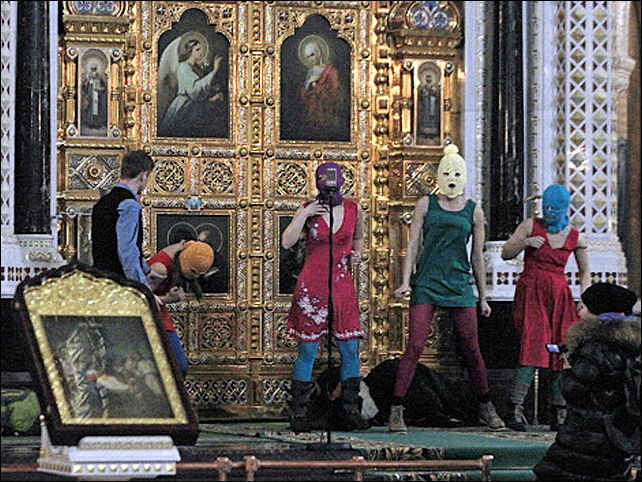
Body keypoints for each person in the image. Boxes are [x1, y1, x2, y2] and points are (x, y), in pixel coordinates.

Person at [389, 143, 506, 432]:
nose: (451, 178)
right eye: (447, 172)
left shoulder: (473, 211)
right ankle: (396, 408)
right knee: (415, 344)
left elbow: (477, 256)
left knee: (472, 347)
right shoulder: (425, 204)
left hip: (458, 283)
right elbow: (413, 245)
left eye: (456, 173)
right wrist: (405, 281)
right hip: (428, 281)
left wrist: (483, 297)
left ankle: (486, 405)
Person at [282, 161, 368, 432]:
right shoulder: (308, 209)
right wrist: (303, 215)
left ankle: (350, 409)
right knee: (308, 349)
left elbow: (358, 239)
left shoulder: (353, 209)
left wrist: (357, 253)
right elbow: (286, 241)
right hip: (313, 285)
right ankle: (299, 412)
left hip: (342, 285)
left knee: (349, 348)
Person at [501, 184, 590, 431]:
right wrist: (526, 242)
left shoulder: (575, 236)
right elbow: (506, 253)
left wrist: (584, 300)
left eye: (555, 208)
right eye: (546, 207)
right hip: (532, 293)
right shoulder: (530, 226)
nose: (550, 212)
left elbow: (585, 272)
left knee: (561, 349)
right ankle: (515, 406)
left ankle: (559, 410)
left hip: (559, 295)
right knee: (533, 345)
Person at [533, 283, 640, 481]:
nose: (580, 313)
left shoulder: (594, 345)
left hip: (588, 437)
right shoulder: (632, 343)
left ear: (596, 310)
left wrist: (567, 370)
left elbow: (575, 389)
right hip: (619, 433)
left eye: (584, 307)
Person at [147, 240, 215, 379]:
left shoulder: (184, 249)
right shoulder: (160, 269)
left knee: (179, 366)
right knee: (175, 365)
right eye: (193, 273)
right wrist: (166, 299)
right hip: (146, 316)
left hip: (159, 313)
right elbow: (139, 298)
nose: (195, 278)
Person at [91, 150, 154, 288]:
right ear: (143, 175)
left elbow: (107, 245)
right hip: (119, 284)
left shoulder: (102, 203)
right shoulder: (129, 205)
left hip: (101, 280)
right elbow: (127, 251)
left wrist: (147, 270)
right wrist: (142, 287)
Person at [158, 33, 224, 137]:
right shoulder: (184, 68)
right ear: (190, 52)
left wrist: (212, 98)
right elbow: (194, 91)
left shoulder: (195, 68)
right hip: (184, 108)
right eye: (197, 50)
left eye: (201, 49)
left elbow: (199, 93)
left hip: (192, 106)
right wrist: (214, 71)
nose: (201, 52)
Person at [299, 37, 343, 140]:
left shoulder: (331, 71)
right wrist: (309, 84)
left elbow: (336, 96)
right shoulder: (310, 72)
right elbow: (304, 96)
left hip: (326, 115)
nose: (311, 59)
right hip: (311, 114)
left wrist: (316, 86)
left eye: (312, 55)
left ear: (318, 52)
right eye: (308, 57)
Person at [81, 64, 107, 131]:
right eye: (92, 69)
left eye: (94, 69)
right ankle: (90, 124)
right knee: (90, 110)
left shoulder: (99, 78)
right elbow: (84, 87)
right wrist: (87, 83)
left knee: (98, 110)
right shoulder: (88, 77)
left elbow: (104, 87)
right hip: (90, 97)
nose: (93, 71)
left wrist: (99, 89)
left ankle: (97, 124)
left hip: (98, 98)